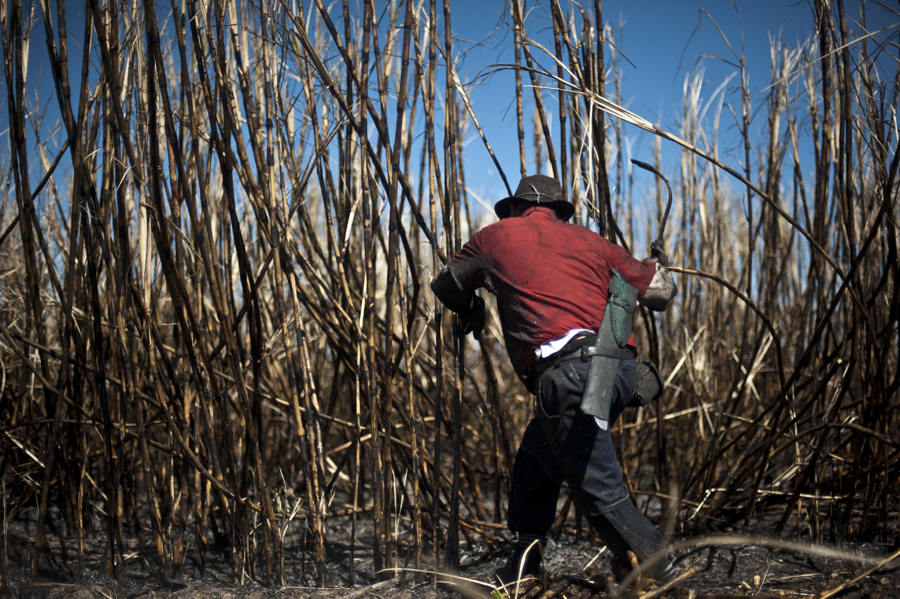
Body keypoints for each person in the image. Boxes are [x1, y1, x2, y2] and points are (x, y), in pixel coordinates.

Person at [430, 174, 677, 584]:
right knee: (537, 462)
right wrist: (658, 263)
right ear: (561, 213)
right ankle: (525, 565)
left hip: (569, 376)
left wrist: (472, 307)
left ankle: (660, 569)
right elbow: (660, 293)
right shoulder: (594, 242)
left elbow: (445, 283)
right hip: (618, 374)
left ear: (513, 208)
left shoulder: (495, 236)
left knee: (594, 483)